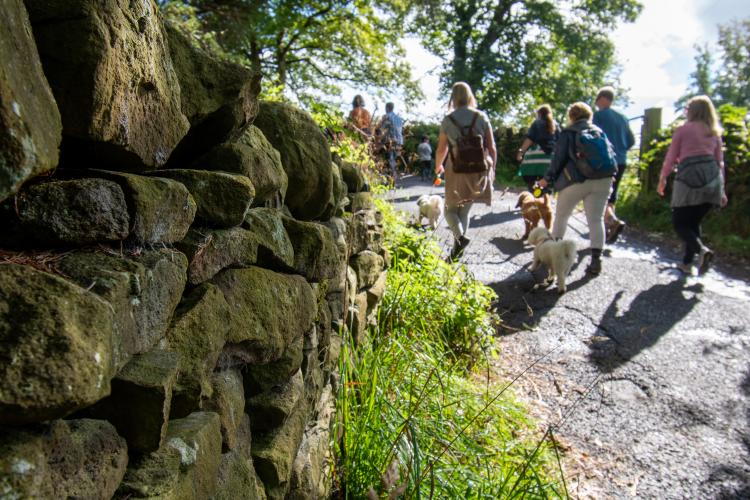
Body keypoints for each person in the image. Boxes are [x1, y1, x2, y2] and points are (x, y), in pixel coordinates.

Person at [538, 102, 613, 275]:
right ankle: (596, 260)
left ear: (571, 116)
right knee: (596, 220)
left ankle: (554, 254)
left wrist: (546, 179)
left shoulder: (569, 132)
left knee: (562, 216)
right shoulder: (599, 132)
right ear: (589, 116)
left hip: (576, 180)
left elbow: (558, 159)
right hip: (604, 180)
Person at [657, 95, 727, 275]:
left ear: (692, 111)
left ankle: (702, 251)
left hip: (689, 178)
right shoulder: (714, 132)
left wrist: (663, 178)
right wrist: (722, 190)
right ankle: (687, 263)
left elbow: (672, 157)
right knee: (693, 222)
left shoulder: (683, 129)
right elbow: (720, 162)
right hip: (712, 180)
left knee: (679, 223)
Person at [435, 82, 497, 260]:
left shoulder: (448, 120)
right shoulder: (481, 117)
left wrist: (438, 166)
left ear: (453, 98)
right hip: (478, 169)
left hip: (456, 169)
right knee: (464, 212)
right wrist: (492, 171)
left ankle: (460, 239)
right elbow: (492, 147)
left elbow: (441, 149)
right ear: (470, 96)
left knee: (449, 211)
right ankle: (456, 252)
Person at [593, 86, 636, 243]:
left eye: (597, 100)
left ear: (604, 98)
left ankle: (611, 221)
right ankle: (609, 225)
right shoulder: (623, 118)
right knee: (612, 193)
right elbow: (631, 141)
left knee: (600, 194)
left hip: (604, 161)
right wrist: (622, 149)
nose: (596, 103)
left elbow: (592, 137)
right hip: (621, 160)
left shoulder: (599, 116)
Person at [516, 104, 560, 190]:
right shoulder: (556, 125)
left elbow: (529, 140)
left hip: (534, 162)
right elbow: (560, 143)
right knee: (546, 187)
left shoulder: (536, 123)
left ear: (539, 114)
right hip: (550, 162)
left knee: (532, 184)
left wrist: (520, 152)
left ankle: (534, 197)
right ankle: (544, 198)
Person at [380, 102, 404, 180]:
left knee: (390, 158)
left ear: (387, 108)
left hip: (391, 141)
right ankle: (394, 176)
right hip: (399, 141)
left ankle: (391, 178)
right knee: (395, 158)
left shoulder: (387, 116)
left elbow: (382, 129)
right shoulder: (399, 118)